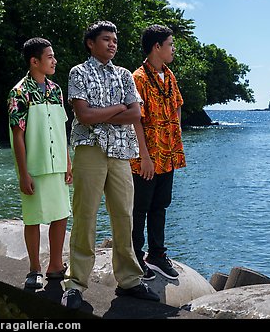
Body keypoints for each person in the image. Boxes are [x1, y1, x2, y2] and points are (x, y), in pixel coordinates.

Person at [60, 21, 160, 309]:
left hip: (120, 151)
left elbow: (135, 114)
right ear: (91, 43)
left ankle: (129, 280)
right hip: (90, 150)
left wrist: (104, 112)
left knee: (124, 216)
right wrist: (118, 109)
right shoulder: (78, 72)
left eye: (115, 40)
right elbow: (84, 115)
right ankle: (76, 283)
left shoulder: (124, 75)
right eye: (106, 39)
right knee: (85, 216)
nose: (112, 44)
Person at [7, 37, 72, 290]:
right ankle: (34, 268)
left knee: (61, 215)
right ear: (34, 61)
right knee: (32, 219)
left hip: (57, 165)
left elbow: (61, 129)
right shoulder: (19, 93)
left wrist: (68, 162)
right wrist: (23, 173)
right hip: (34, 166)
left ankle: (55, 265)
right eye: (49, 57)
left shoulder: (56, 90)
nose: (54, 61)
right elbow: (18, 135)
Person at [130, 25, 186, 280]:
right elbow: (135, 120)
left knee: (161, 204)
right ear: (157, 47)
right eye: (170, 44)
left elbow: (177, 105)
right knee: (140, 206)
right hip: (147, 155)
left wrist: (176, 134)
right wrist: (144, 155)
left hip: (168, 153)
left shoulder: (169, 75)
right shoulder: (138, 78)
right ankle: (134, 255)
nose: (173, 49)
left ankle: (157, 254)